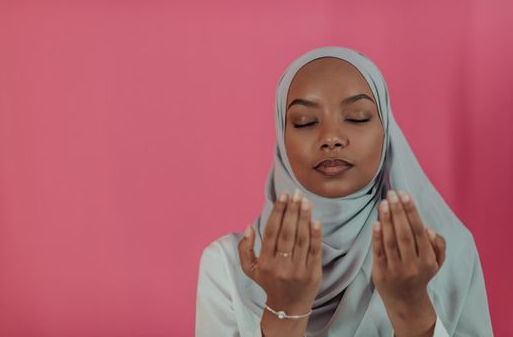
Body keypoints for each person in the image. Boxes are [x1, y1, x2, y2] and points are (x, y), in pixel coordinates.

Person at [195, 46, 493, 337]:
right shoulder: (228, 267)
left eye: (357, 117)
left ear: (386, 131)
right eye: (305, 122)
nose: (331, 138)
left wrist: (413, 313)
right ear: (282, 140)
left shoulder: (443, 255)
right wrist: (285, 310)